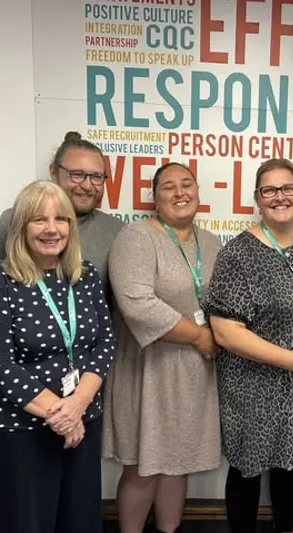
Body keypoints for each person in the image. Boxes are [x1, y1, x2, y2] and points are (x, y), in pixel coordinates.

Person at [206, 158, 293, 533]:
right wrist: (290, 360)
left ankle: (288, 529)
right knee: (247, 468)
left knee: (291, 463)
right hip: (254, 384)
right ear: (257, 198)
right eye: (269, 190)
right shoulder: (238, 254)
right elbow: (225, 331)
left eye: (287, 188)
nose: (279, 197)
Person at [0, 180, 115, 533]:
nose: (52, 229)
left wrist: (77, 406)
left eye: (61, 219)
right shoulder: (0, 281)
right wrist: (61, 414)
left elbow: (104, 342)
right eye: (39, 219)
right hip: (21, 431)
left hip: (82, 425)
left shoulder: (84, 275)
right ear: (21, 227)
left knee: (80, 522)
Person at [102, 162, 222, 533]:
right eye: (169, 187)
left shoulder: (212, 242)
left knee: (178, 461)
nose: (180, 192)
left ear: (198, 192)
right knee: (144, 466)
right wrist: (200, 336)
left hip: (194, 372)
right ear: (155, 197)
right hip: (148, 368)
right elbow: (137, 303)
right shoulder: (137, 237)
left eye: (187, 184)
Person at [0, 131, 125, 302]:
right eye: (77, 175)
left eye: (96, 177)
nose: (87, 186)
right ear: (54, 172)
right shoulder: (13, 220)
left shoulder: (117, 231)